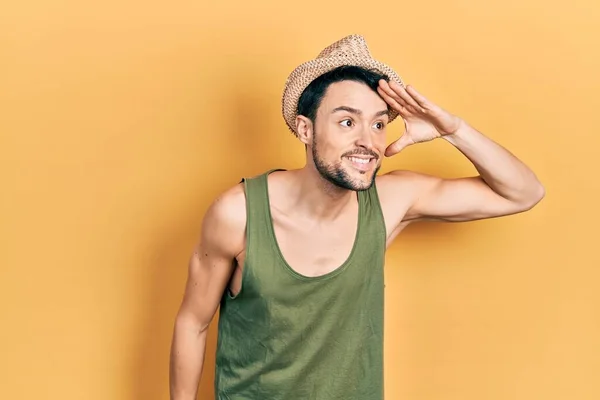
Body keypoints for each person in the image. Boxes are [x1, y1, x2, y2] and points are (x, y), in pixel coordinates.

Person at [168, 34, 545, 400]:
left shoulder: (391, 201)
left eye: (379, 123)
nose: (368, 140)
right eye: (348, 122)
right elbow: (193, 322)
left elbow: (523, 192)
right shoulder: (239, 213)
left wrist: (454, 131)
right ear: (305, 128)